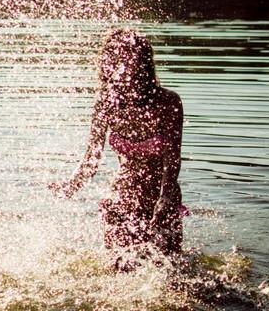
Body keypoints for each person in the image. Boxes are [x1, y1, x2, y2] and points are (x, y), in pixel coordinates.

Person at [49, 28, 186, 269]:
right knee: (118, 269)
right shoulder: (106, 104)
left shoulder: (168, 101)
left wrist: (165, 198)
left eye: (126, 54)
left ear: (142, 61)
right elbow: (92, 158)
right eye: (113, 55)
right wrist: (70, 186)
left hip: (159, 196)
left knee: (171, 270)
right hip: (122, 195)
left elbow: (172, 160)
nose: (119, 61)